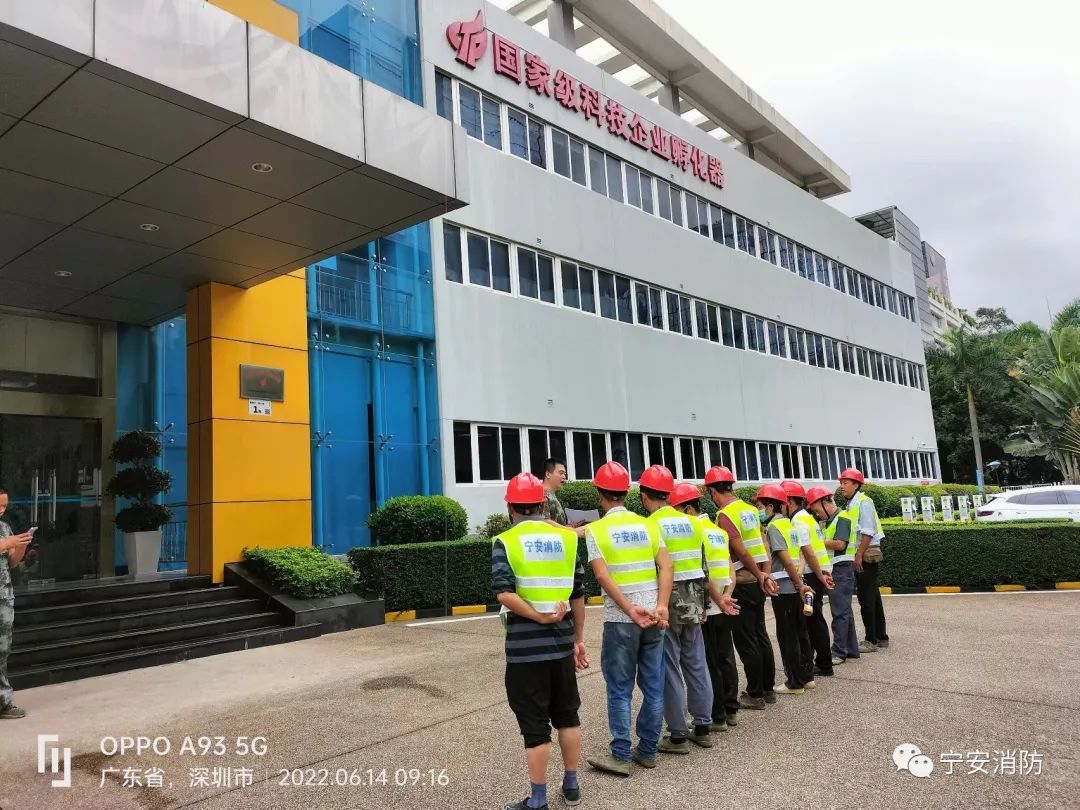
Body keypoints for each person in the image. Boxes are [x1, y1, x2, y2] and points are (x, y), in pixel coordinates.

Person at [492, 473, 587, 810]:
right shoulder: (567, 540)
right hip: (561, 645)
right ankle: (571, 785)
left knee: (535, 727)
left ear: (510, 506)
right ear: (542, 505)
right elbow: (578, 594)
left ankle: (538, 799)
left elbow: (504, 593)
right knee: (568, 715)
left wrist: (538, 616)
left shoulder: (505, 541)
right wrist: (578, 639)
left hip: (524, 650)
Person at [585, 461, 673, 777]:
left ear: (599, 493)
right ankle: (647, 750)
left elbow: (602, 576)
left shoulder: (596, 530)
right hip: (654, 616)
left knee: (619, 688)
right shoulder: (648, 525)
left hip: (621, 620)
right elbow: (667, 566)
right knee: (653, 684)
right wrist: (662, 605)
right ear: (627, 493)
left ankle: (621, 755)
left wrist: (628, 609)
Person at [636, 466, 714, 754]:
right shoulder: (693, 523)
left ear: (644, 495)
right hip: (694, 596)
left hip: (666, 599)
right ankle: (702, 726)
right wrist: (705, 603)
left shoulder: (650, 525)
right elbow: (703, 566)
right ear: (669, 494)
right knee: (696, 661)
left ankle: (678, 734)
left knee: (669, 665)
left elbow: (651, 569)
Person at [703, 466, 778, 711]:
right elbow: (763, 544)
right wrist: (764, 573)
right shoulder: (750, 510)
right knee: (760, 633)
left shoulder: (726, 515)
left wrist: (757, 574)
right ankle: (767, 689)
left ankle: (755, 694)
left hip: (743, 581)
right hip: (757, 580)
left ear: (712, 491)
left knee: (746, 641)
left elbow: (741, 551)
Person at [668, 482, 740, 734]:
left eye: (676, 509)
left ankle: (716, 715)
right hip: (724, 601)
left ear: (687, 508)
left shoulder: (693, 530)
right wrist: (727, 595)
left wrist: (718, 600)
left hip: (707, 605)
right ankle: (731, 709)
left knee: (708, 664)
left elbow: (702, 573)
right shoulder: (718, 531)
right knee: (726, 658)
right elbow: (730, 567)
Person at [756, 484, 813, 696]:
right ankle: (806, 677)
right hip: (795, 585)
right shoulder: (789, 524)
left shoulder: (774, 527)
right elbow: (799, 557)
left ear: (770, 507)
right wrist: (800, 582)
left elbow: (786, 560)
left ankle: (794, 683)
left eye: (760, 506)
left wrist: (798, 585)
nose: (759, 511)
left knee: (787, 636)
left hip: (785, 588)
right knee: (800, 633)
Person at [780, 480, 835, 682]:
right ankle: (815, 662)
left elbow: (808, 551)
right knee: (813, 619)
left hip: (812, 574)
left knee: (812, 620)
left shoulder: (798, 521)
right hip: (818, 571)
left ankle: (823, 663)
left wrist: (818, 575)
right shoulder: (807, 517)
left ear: (789, 501)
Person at [805, 487, 860, 665]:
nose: (818, 514)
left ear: (825, 502)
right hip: (837, 568)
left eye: (817, 510)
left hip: (840, 568)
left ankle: (838, 651)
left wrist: (816, 542)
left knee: (840, 612)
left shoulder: (842, 518)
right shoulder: (832, 520)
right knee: (845, 611)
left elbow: (840, 544)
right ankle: (850, 649)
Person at [838, 468, 889, 652]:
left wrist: (859, 555)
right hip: (862, 553)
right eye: (841, 482)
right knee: (873, 596)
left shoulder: (864, 502)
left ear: (856, 484)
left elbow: (868, 531)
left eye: (845, 483)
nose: (841, 486)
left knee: (866, 598)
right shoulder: (851, 503)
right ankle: (881, 637)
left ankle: (871, 640)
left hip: (866, 554)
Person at [0, 487, 32, 720]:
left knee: (2, 650)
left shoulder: (4, 528)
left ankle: (3, 701)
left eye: (4, 506)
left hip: (3, 597)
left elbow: (12, 562)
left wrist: (20, 547)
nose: (2, 510)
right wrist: (5, 543)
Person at [542, 458, 586, 539]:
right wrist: (573, 531)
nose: (564, 476)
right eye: (561, 473)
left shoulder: (551, 494)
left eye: (564, 474)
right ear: (548, 474)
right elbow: (544, 521)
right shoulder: (541, 494)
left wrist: (567, 527)